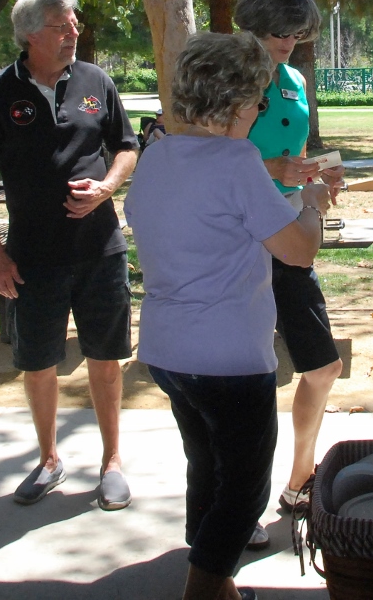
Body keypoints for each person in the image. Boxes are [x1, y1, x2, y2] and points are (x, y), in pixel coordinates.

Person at [126, 32, 330, 600]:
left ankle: (218, 585)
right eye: (259, 101)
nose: (259, 112)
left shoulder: (156, 155)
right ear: (238, 102)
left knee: (207, 466)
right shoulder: (237, 161)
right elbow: (298, 251)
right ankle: (203, 588)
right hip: (229, 358)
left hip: (167, 350)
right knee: (244, 492)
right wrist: (312, 207)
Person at [0, 0, 139, 510]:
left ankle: (111, 462)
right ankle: (48, 460)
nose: (74, 32)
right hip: (32, 258)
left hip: (100, 249)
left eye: (74, 23)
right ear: (31, 35)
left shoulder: (96, 81)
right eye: (62, 26)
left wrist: (106, 188)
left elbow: (127, 147)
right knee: (38, 363)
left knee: (105, 357)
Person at [233, 0, 345, 521]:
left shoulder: (295, 80)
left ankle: (300, 480)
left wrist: (317, 176)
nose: (289, 42)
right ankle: (238, 509)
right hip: (236, 239)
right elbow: (206, 156)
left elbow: (292, 159)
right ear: (254, 23)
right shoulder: (227, 76)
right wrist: (270, 168)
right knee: (242, 379)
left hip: (288, 232)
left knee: (323, 367)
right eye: (280, 30)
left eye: (298, 33)